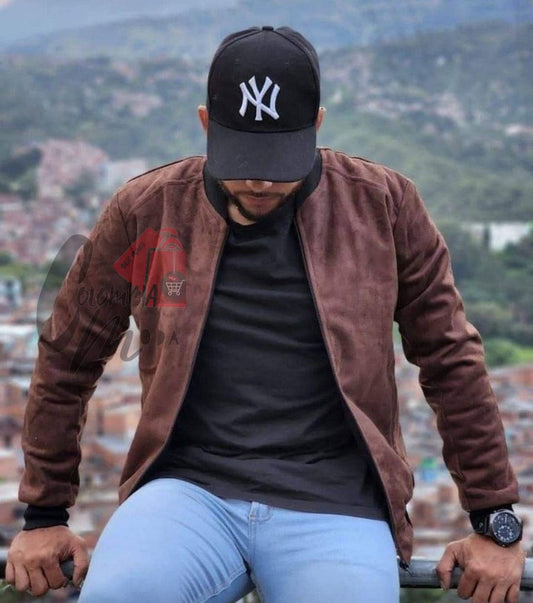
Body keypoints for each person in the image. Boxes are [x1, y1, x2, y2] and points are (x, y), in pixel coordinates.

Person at [5, 25, 525, 603]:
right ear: (205, 124)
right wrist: (44, 513)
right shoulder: (147, 208)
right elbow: (68, 355)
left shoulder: (384, 206)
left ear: (317, 125)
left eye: (279, 161)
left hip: (337, 498)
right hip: (186, 488)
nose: (258, 179)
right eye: (243, 158)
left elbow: (450, 359)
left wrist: (494, 519)